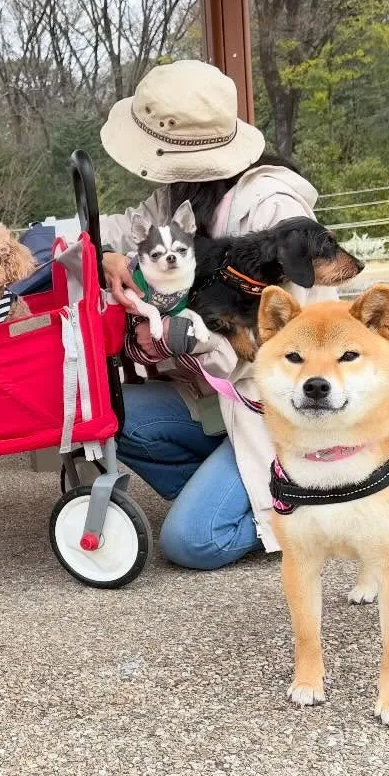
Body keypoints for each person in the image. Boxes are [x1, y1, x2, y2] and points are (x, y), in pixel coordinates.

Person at [97, 60, 336, 570]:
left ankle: (301, 508)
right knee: (105, 415)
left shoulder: (273, 207)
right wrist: (104, 255)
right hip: (216, 396)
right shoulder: (184, 193)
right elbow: (128, 230)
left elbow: (287, 337)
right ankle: (237, 495)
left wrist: (175, 330)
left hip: (272, 403)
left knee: (190, 543)